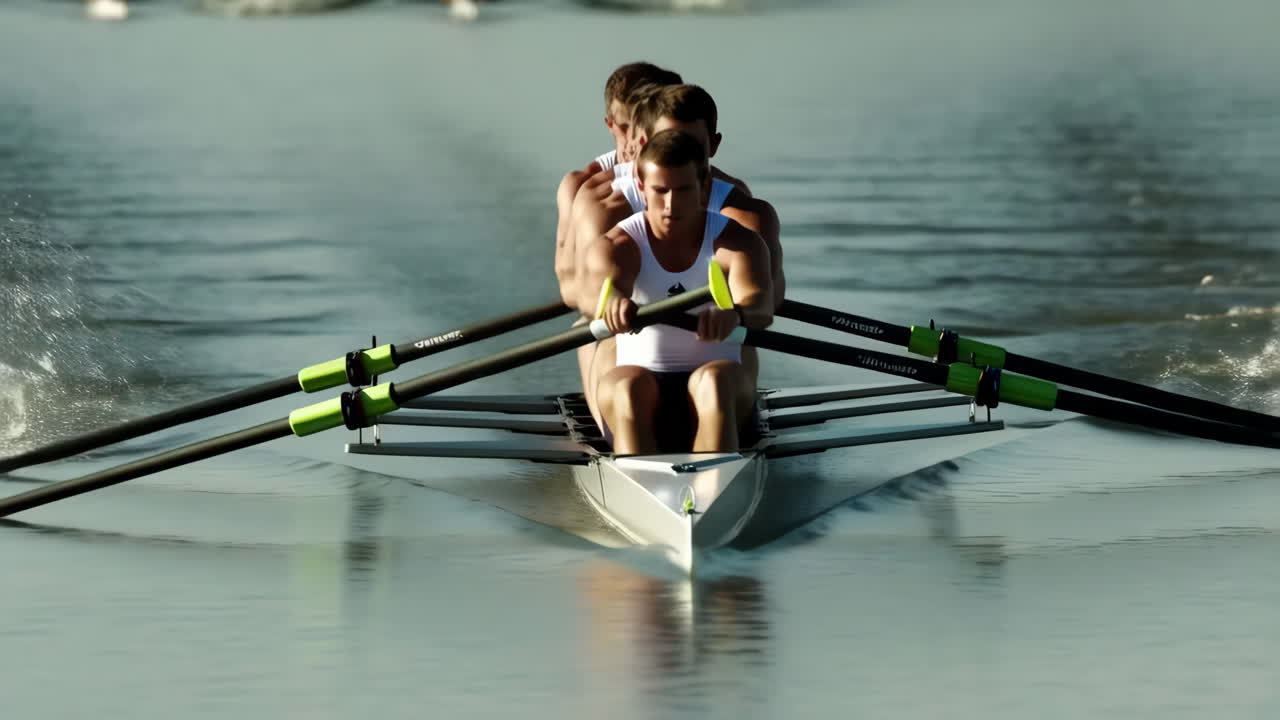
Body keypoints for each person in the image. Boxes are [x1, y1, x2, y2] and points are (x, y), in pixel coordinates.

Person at [578, 130, 774, 455]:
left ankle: (712, 477)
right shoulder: (617, 245)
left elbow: (761, 305)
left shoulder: (738, 242)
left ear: (704, 188)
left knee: (714, 383)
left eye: (683, 190)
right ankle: (638, 476)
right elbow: (593, 294)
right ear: (641, 186)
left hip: (720, 383)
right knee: (628, 387)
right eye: (660, 190)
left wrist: (737, 314)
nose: (670, 205)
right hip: (639, 382)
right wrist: (612, 303)